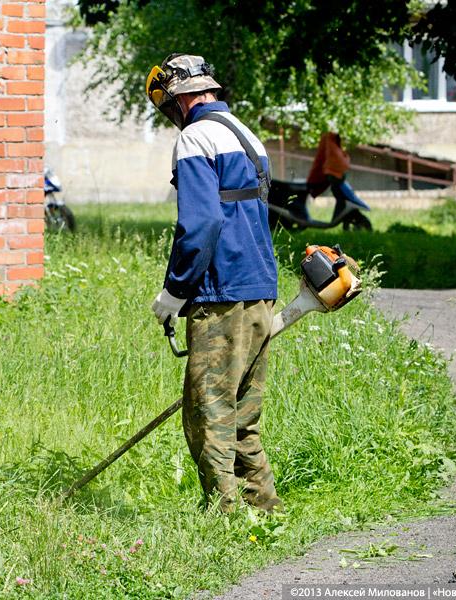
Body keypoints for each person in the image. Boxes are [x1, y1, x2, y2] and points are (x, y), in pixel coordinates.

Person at [145, 54, 284, 514]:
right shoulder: (246, 135)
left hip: (221, 294)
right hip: (260, 287)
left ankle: (224, 521)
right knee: (244, 415)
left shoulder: (194, 138)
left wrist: (175, 291)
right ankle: (262, 512)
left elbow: (201, 223)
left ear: (176, 97)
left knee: (207, 414)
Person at [305, 132, 370, 225]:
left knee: (340, 199)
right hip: (334, 177)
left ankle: (335, 219)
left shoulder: (330, 144)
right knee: (340, 199)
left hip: (334, 177)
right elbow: (341, 161)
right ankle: (335, 220)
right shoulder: (332, 146)